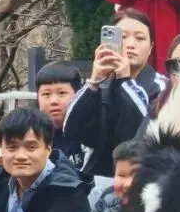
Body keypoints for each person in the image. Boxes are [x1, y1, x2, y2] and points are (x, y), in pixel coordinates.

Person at [63, 10, 165, 180]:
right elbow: (73, 130)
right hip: (97, 177)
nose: (130, 44)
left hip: (144, 175)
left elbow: (143, 132)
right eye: (122, 37)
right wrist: (94, 82)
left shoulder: (163, 87)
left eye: (140, 38)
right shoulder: (101, 83)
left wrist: (125, 81)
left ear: (150, 48)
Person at [34, 62, 85, 174]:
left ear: (78, 95)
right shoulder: (32, 134)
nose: (54, 101)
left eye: (62, 93)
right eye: (46, 94)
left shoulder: (89, 134)